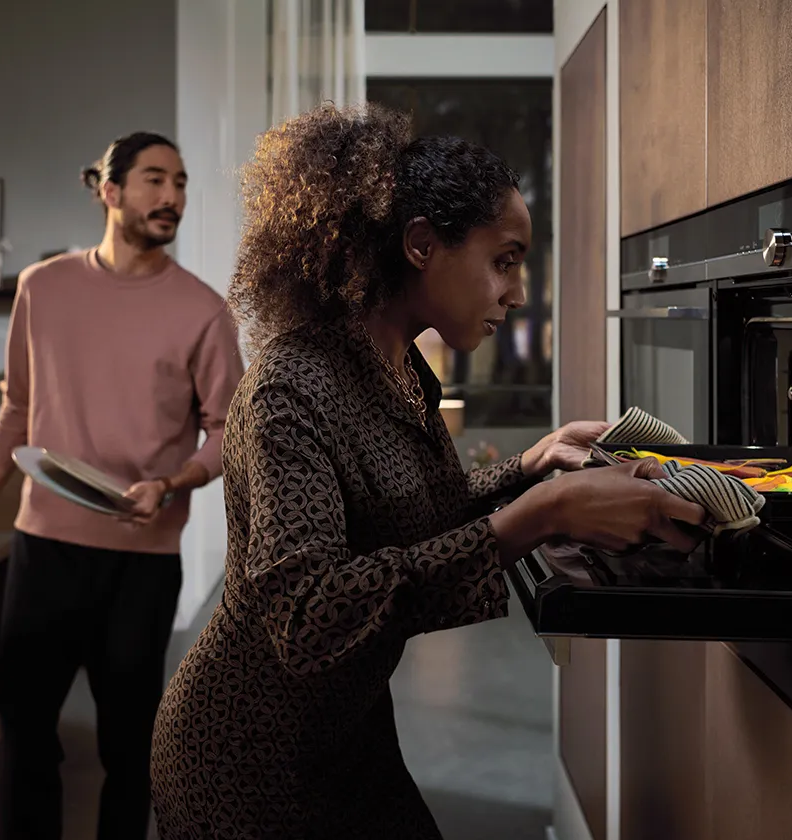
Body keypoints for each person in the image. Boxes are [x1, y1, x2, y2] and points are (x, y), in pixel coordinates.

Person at [148, 104, 705, 840]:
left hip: (348, 739)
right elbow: (311, 617)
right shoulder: (290, 388)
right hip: (245, 761)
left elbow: (410, 517)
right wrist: (544, 513)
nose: (515, 292)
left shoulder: (405, 370)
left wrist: (533, 468)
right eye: (503, 260)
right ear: (420, 244)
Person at [0, 131, 245, 840]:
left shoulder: (204, 311)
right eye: (154, 180)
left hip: (141, 557)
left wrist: (172, 483)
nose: (173, 197)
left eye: (181, 182)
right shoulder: (42, 289)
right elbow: (17, 409)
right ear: (109, 191)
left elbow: (229, 431)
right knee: (23, 736)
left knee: (129, 750)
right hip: (45, 547)